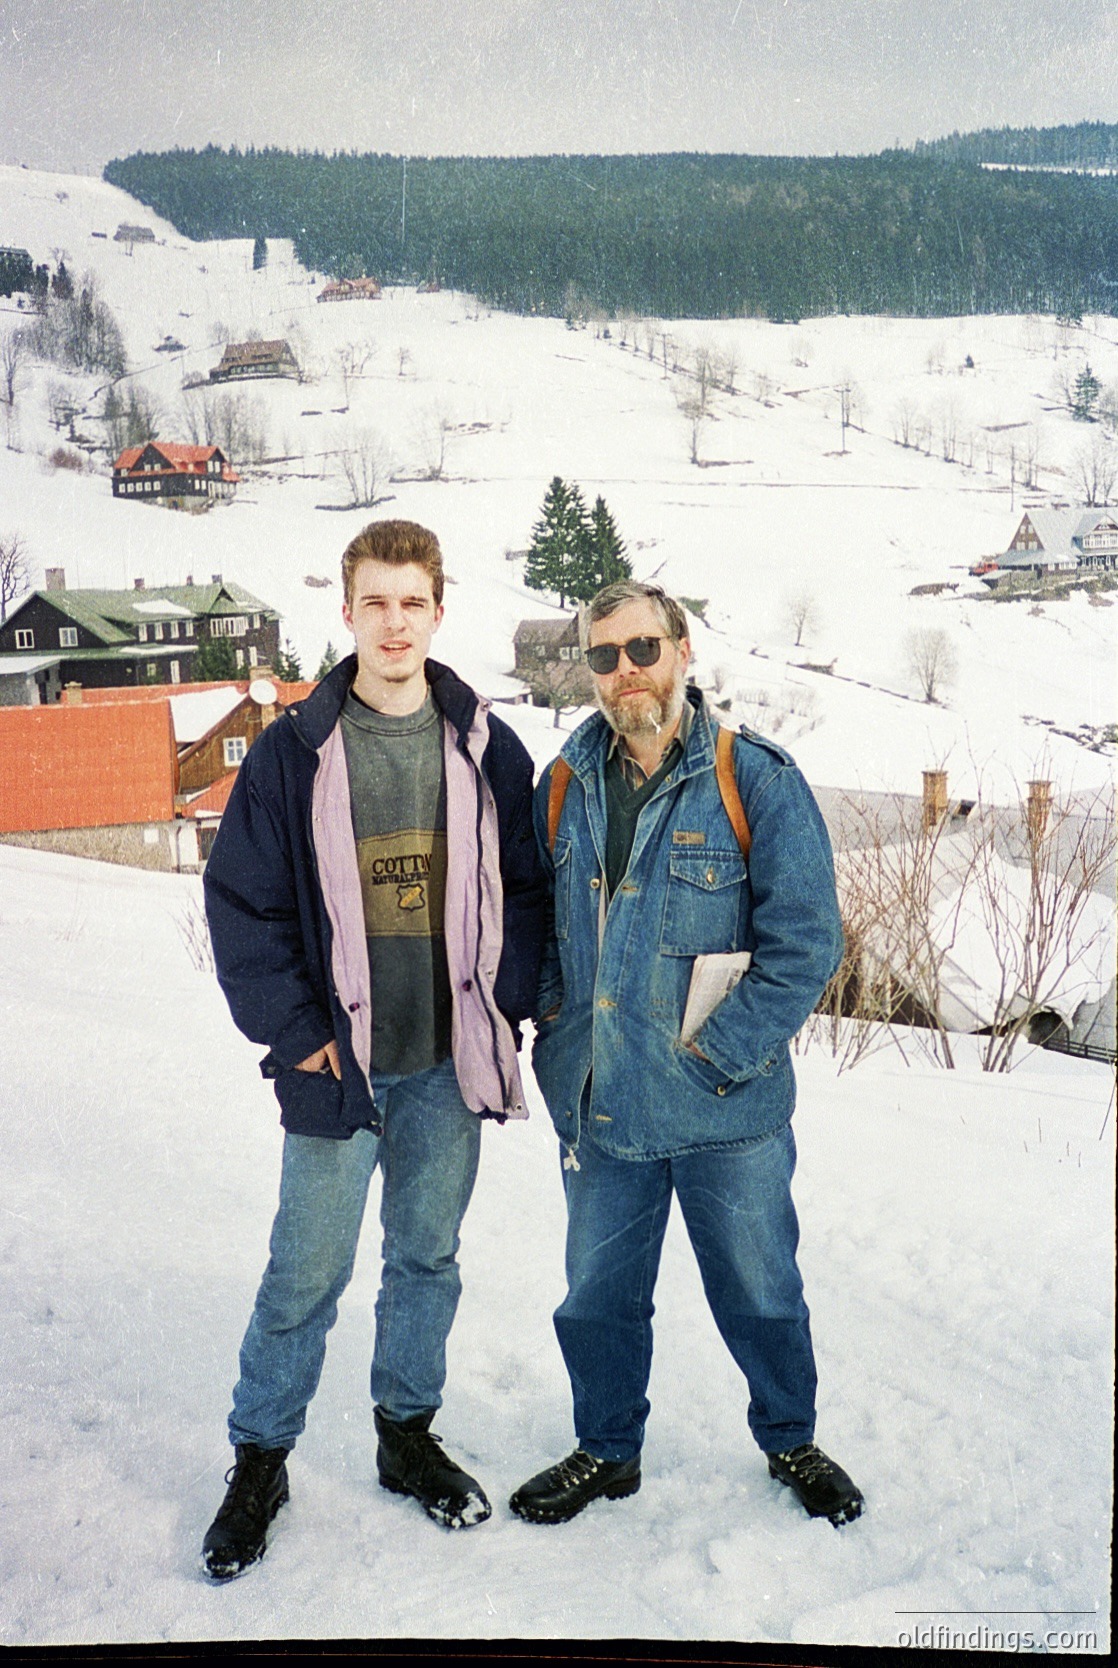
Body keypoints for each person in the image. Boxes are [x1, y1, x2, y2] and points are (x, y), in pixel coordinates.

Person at [200, 519, 545, 1580]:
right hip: (339, 1069)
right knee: (305, 1271)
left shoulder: (487, 743)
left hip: (449, 1063)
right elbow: (243, 906)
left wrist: (510, 1002)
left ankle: (405, 1435)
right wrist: (299, 1039)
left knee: (425, 1259)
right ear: (345, 611)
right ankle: (261, 1457)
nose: (394, 623)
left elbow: (526, 892)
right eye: (374, 602)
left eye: (412, 602)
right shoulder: (294, 750)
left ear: (439, 611)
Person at [509, 580, 863, 1529]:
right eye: (604, 656)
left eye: (642, 650)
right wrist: (554, 1033)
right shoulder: (564, 787)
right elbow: (537, 927)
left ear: (682, 650)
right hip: (605, 1107)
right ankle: (605, 1451)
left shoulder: (756, 780)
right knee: (596, 1298)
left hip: (727, 1113)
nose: (625, 673)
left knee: (761, 1290)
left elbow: (806, 945)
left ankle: (791, 1438)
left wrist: (718, 1058)